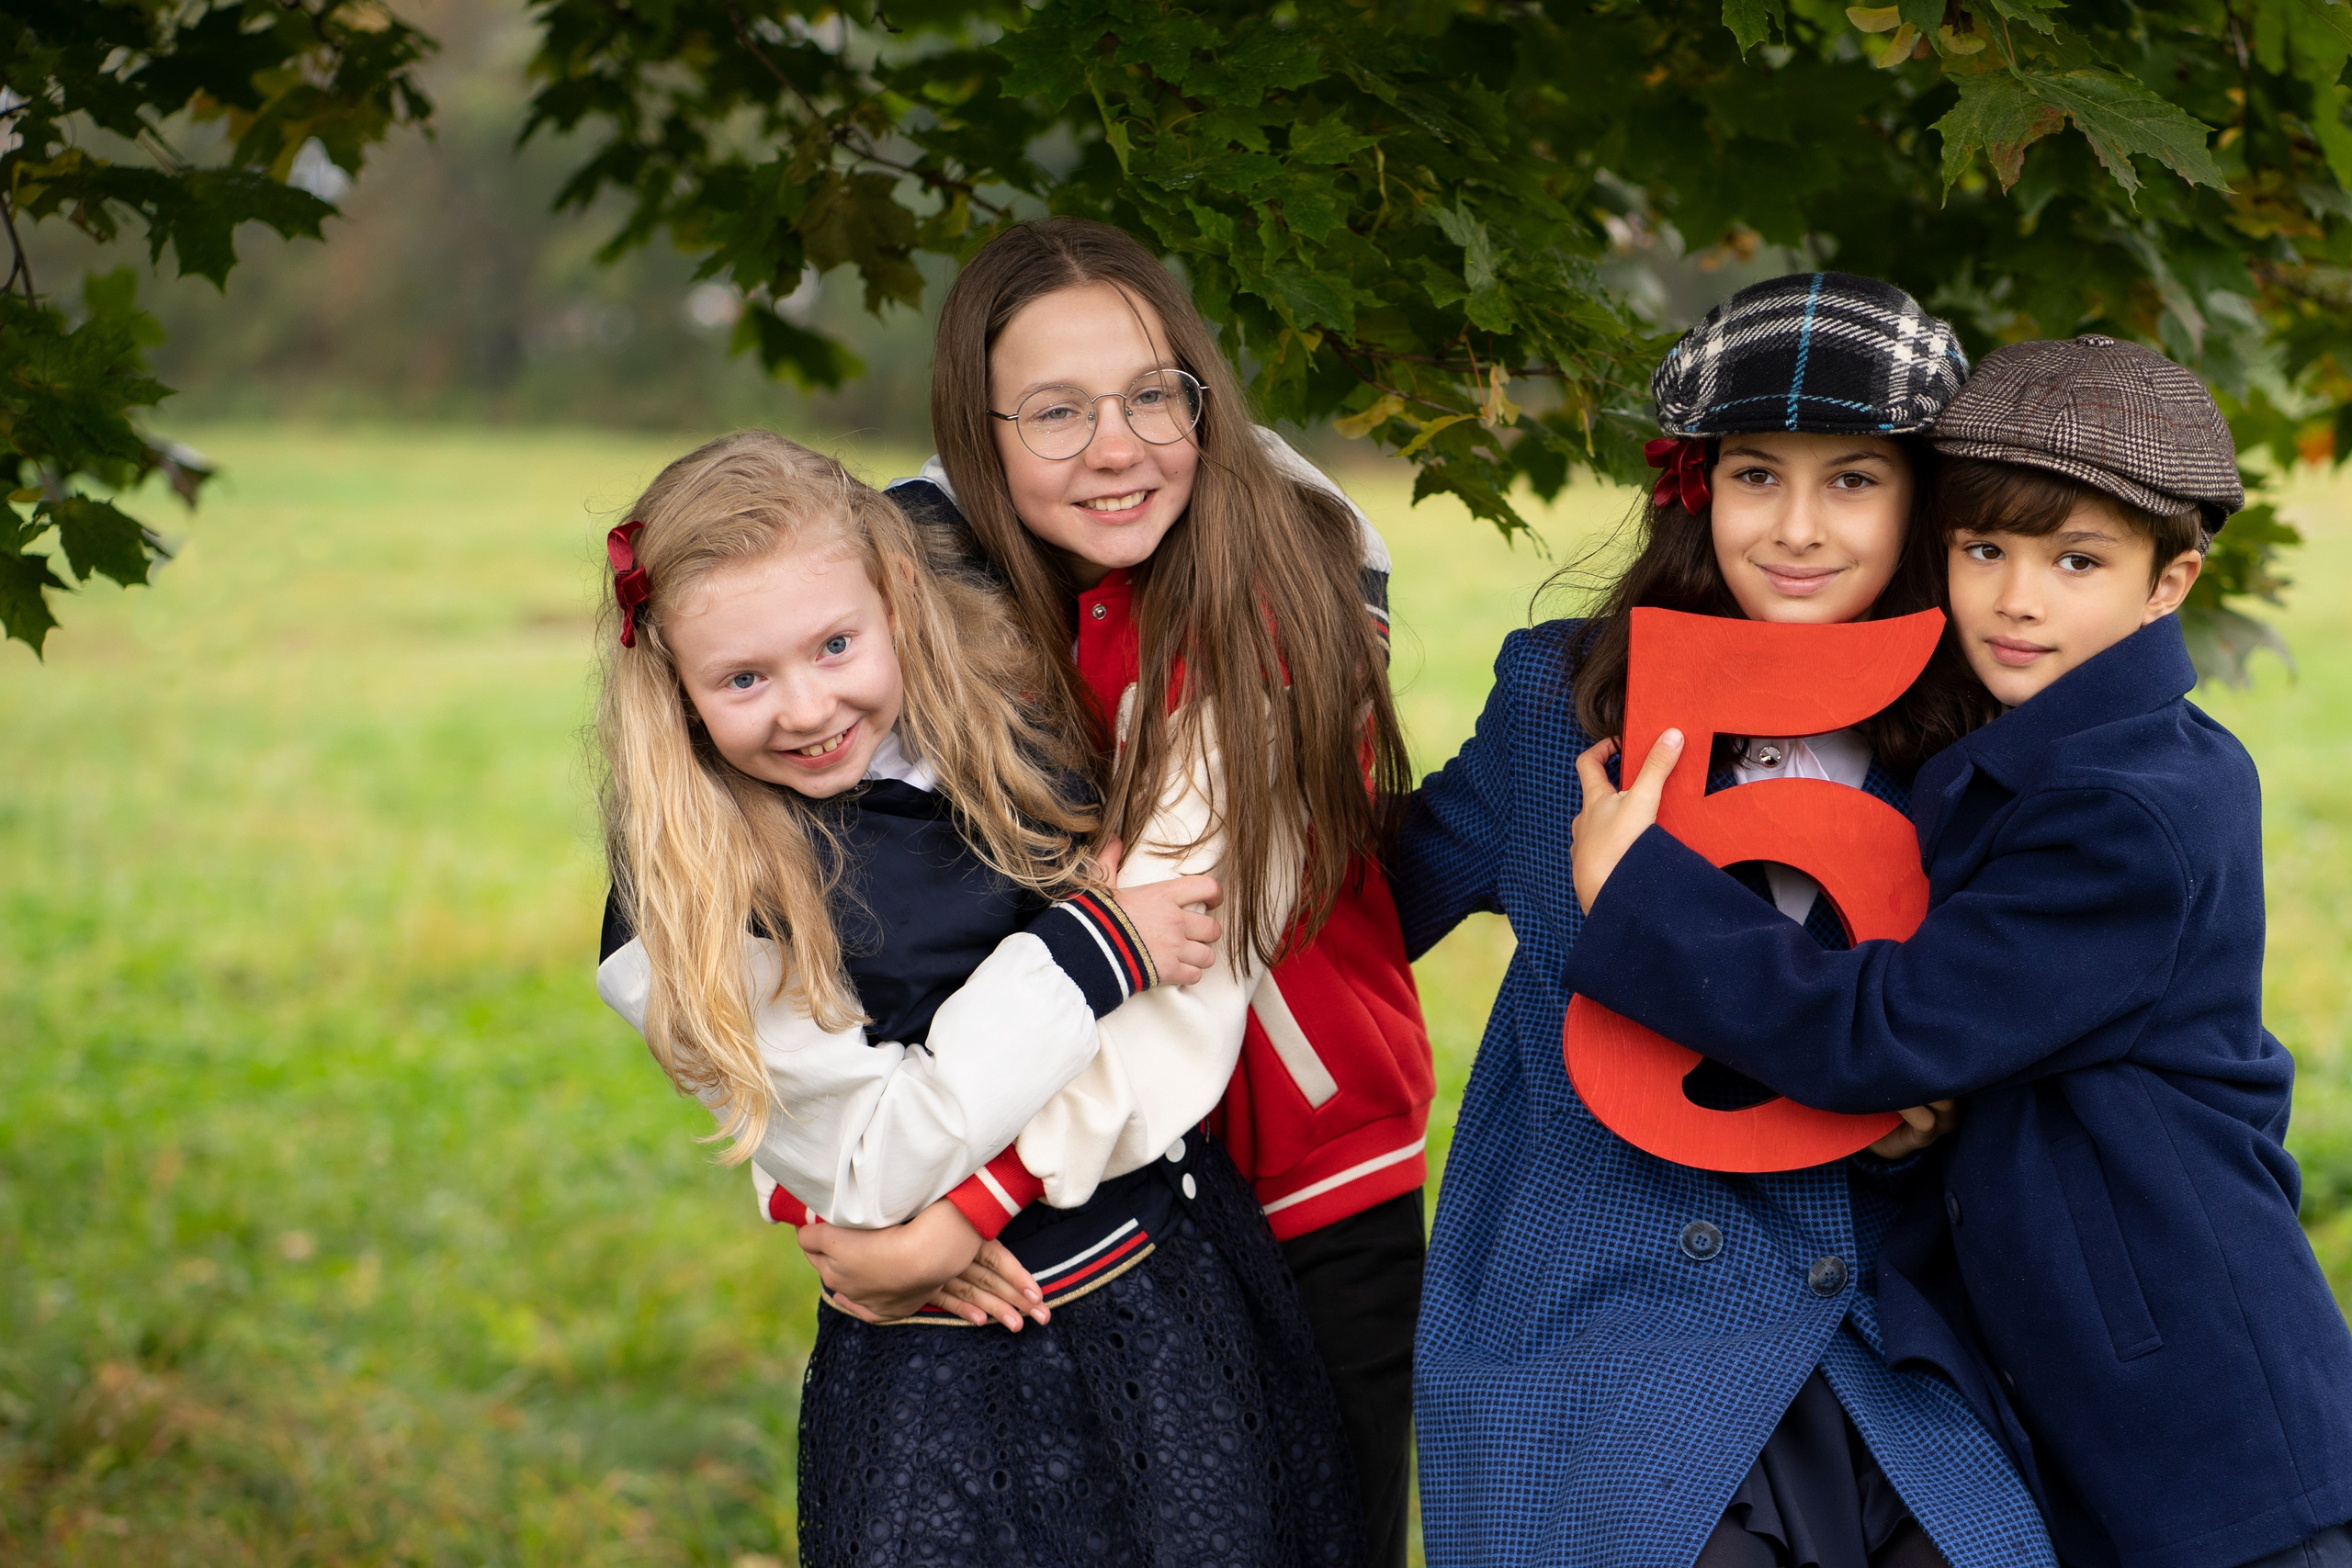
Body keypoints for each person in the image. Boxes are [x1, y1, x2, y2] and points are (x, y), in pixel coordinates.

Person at [1566, 335, 2352, 1568]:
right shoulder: (2058, 752)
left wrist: (1641, 895)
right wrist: (1927, 1115)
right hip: (2084, 1369)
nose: (2017, 599)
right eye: (1984, 549)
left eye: (2076, 561)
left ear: (2172, 581)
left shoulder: (2127, 809)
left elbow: (1886, 1026)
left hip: (2202, 1406)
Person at [590, 430, 1365, 1566]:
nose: (805, 707)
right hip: (934, 1354)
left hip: (1162, 1283)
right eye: (743, 679)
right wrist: (1091, 949)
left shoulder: (1003, 716)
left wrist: (1084, 416)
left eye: (836, 645)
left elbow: (1277, 491)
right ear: (671, 686)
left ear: (897, 595)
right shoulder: (688, 896)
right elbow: (872, 1161)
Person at [1394, 273, 2060, 1567]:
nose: (1798, 528)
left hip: (1879, 1328)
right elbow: (1364, 901)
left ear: (1924, 500)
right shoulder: (1562, 701)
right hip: (1605, 1325)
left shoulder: (1977, 736)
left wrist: (1939, 1115)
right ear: (1698, 488)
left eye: (1853, 481)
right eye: (1758, 475)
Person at [839, 214, 1434, 1568]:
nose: (1116, 447)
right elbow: (804, 901)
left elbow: (1182, 944)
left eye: (1152, 395)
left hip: (1297, 1171)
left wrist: (952, 1209)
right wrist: (830, 1179)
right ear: (975, 431)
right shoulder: (915, 584)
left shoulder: (1277, 578)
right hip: (1069, 1183)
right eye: (1056, 412)